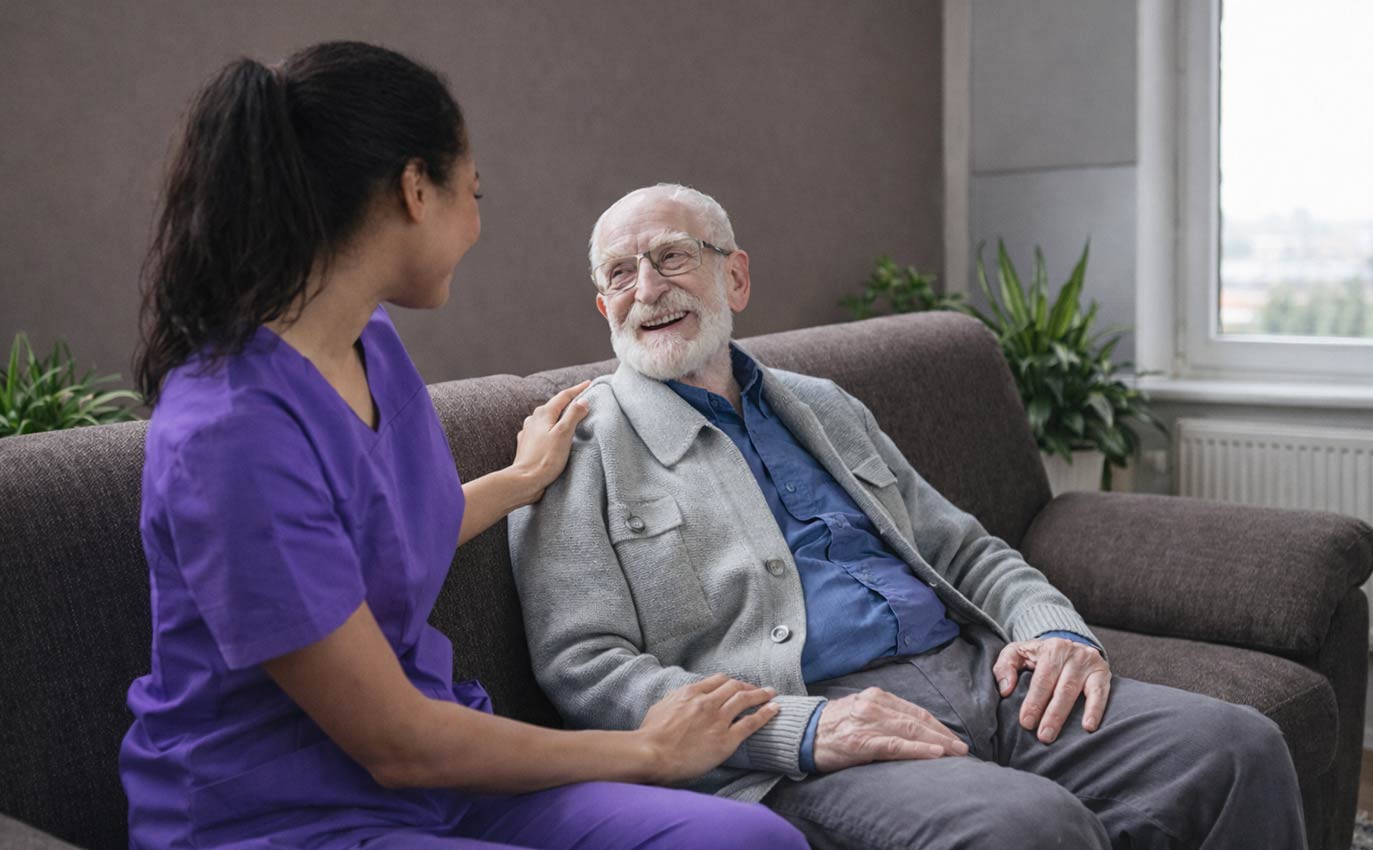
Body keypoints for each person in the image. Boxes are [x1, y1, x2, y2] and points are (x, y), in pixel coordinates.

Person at [121, 45, 808, 850]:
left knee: (751, 841)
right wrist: (648, 749)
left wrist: (519, 480)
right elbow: (396, 743)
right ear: (417, 189)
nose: (477, 225)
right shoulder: (229, 435)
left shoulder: (368, 342)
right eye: (471, 193)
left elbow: (375, 539)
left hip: (442, 778)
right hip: (287, 813)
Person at [507, 183, 1308, 850]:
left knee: (1236, 750)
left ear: (736, 278)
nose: (646, 289)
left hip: (978, 674)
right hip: (811, 734)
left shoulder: (822, 405)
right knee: (1029, 828)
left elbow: (960, 549)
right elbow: (586, 669)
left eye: (672, 257)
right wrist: (800, 728)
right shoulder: (573, 448)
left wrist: (1052, 627)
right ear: (603, 304)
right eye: (620, 273)